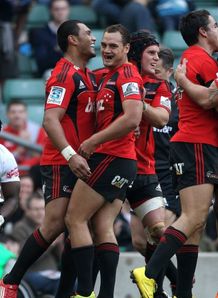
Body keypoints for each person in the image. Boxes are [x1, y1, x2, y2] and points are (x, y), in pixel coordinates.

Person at [0, 19, 97, 298]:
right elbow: (49, 120)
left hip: (83, 161)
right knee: (55, 223)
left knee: (76, 227)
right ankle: (11, 280)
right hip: (61, 161)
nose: (94, 38)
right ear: (72, 40)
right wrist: (70, 155)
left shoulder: (87, 75)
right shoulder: (62, 74)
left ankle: (66, 293)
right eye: (88, 33)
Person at [130, 9, 218, 298]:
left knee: (195, 225)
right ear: (203, 32)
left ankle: (183, 292)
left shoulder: (191, 61)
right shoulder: (201, 60)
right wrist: (183, 82)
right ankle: (150, 272)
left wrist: (182, 81)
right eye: (215, 25)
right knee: (193, 217)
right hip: (198, 144)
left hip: (192, 144)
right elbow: (209, 100)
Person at [64, 24, 143, 298]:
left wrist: (95, 140)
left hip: (112, 157)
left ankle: (84, 292)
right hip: (121, 160)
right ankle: (106, 294)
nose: (107, 50)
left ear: (127, 49)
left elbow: (133, 117)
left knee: (74, 219)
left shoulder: (128, 74)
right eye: (105, 45)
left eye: (113, 46)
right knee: (101, 227)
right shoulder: (107, 75)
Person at [126, 32, 175, 298]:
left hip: (147, 169)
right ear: (136, 53)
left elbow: (160, 118)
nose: (156, 59)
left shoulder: (159, 86)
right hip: (115, 165)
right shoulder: (116, 78)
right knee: (132, 239)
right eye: (151, 53)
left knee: (158, 230)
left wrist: (136, 104)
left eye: (158, 55)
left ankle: (171, 283)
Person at [12, 192, 62, 296]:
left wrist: (60, 242)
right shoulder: (20, 227)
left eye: (42, 209)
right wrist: (51, 243)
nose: (40, 213)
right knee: (61, 284)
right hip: (32, 274)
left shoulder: (52, 226)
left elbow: (60, 257)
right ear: (27, 210)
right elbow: (24, 257)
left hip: (53, 272)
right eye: (36, 209)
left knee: (73, 282)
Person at [0, 100, 46, 173]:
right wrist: (20, 149)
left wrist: (28, 143)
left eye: (21, 112)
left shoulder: (37, 130)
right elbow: (2, 162)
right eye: (13, 112)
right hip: (8, 174)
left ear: (26, 114)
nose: (17, 116)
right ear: (7, 114)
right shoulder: (2, 133)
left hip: (31, 174)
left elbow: (40, 156)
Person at [29, 0, 70, 77]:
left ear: (68, 10)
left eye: (63, 9)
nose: (60, 12)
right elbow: (42, 61)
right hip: (52, 70)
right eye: (57, 9)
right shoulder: (40, 33)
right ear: (51, 10)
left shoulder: (77, 31)